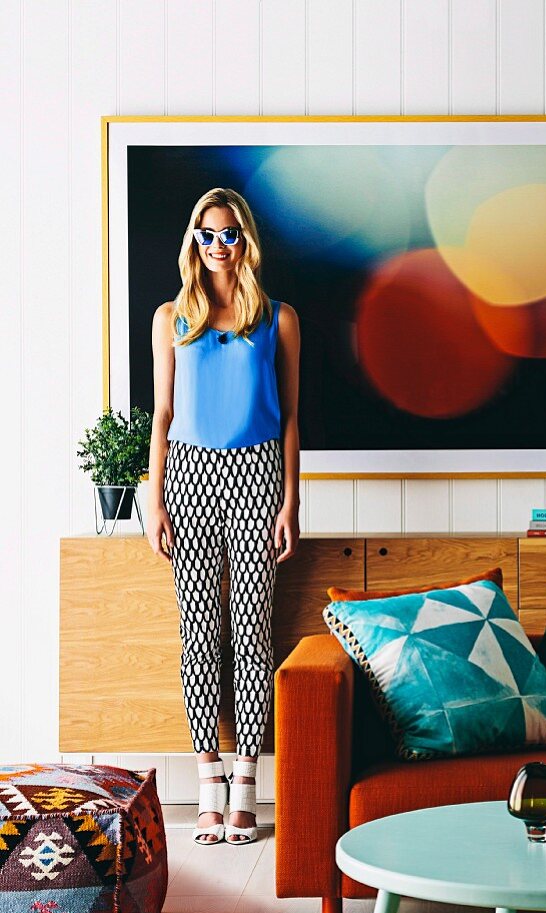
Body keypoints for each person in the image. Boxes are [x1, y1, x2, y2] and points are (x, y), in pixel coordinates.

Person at [146, 186, 300, 845]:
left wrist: (292, 500)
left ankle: (247, 783)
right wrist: (153, 497)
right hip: (187, 473)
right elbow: (162, 414)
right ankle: (208, 779)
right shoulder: (171, 316)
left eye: (228, 233)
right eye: (206, 235)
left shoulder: (277, 317)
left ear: (246, 240)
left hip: (259, 470)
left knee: (253, 631)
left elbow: (292, 416)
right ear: (193, 241)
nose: (217, 245)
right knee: (199, 631)